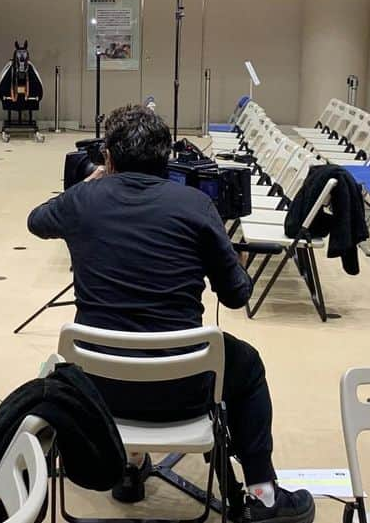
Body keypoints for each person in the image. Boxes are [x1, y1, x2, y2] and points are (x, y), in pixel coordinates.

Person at [27, 105, 315, 523]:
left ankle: (126, 466)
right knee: (247, 365)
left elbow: (37, 221)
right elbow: (236, 296)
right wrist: (234, 261)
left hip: (99, 389)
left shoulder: (82, 200)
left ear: (108, 157)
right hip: (184, 386)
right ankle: (263, 494)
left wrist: (88, 184)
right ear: (167, 158)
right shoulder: (196, 204)